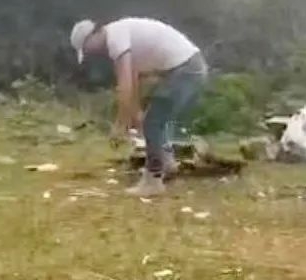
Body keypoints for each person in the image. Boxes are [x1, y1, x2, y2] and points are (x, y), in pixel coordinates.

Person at [70, 17, 209, 196]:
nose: (91, 52)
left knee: (154, 121)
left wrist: (119, 125)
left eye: (88, 47)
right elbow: (133, 78)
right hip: (188, 67)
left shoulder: (115, 37)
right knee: (155, 119)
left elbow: (125, 86)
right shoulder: (119, 37)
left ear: (93, 35)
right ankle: (166, 163)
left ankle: (153, 181)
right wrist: (135, 113)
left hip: (187, 69)